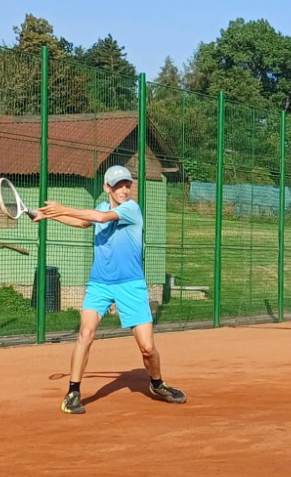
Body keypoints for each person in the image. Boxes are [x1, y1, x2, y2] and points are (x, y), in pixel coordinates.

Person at [35, 164, 187, 415]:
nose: (124, 190)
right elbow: (83, 222)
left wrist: (62, 208)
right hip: (100, 284)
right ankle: (73, 392)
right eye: (118, 186)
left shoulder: (131, 208)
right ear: (107, 187)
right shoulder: (102, 206)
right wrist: (49, 216)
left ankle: (157, 383)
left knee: (147, 348)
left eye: (127, 185)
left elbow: (101, 218)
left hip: (131, 285)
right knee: (85, 333)